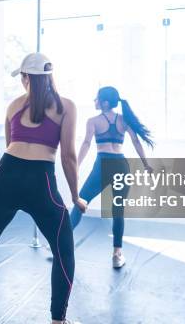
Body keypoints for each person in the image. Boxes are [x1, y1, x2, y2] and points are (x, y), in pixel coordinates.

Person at [0, 53, 87, 324]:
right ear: (49, 77)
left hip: (7, 175)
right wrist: (75, 196)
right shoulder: (66, 106)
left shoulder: (13, 106)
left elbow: (10, 145)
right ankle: (58, 320)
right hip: (42, 182)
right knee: (63, 249)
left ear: (26, 78)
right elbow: (68, 157)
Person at [69, 86, 153, 268]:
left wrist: (75, 166)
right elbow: (136, 141)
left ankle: (62, 246)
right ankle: (117, 255)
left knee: (80, 202)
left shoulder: (93, 121)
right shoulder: (124, 120)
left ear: (105, 102)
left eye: (96, 98)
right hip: (122, 166)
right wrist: (146, 164)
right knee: (118, 211)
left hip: (103, 165)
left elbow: (86, 144)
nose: (94, 101)